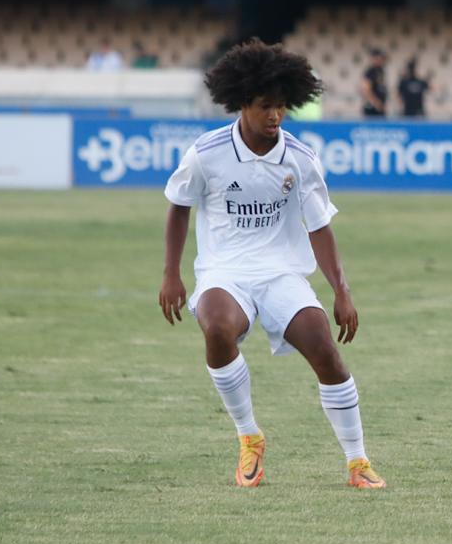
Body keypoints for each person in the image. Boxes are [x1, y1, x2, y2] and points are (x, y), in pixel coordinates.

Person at [158, 39, 386, 489]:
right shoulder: (207, 152)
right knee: (218, 327)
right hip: (224, 272)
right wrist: (171, 273)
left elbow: (320, 225)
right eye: (265, 106)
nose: (274, 116)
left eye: (281, 106)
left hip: (282, 273)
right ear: (242, 103)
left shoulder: (300, 158)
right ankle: (249, 437)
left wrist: (342, 290)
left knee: (325, 350)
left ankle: (358, 464)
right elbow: (178, 206)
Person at [360, 47, 388, 117]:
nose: (382, 60)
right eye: (380, 57)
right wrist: (376, 103)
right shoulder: (370, 71)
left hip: (380, 108)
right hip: (372, 108)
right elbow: (365, 89)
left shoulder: (381, 71)